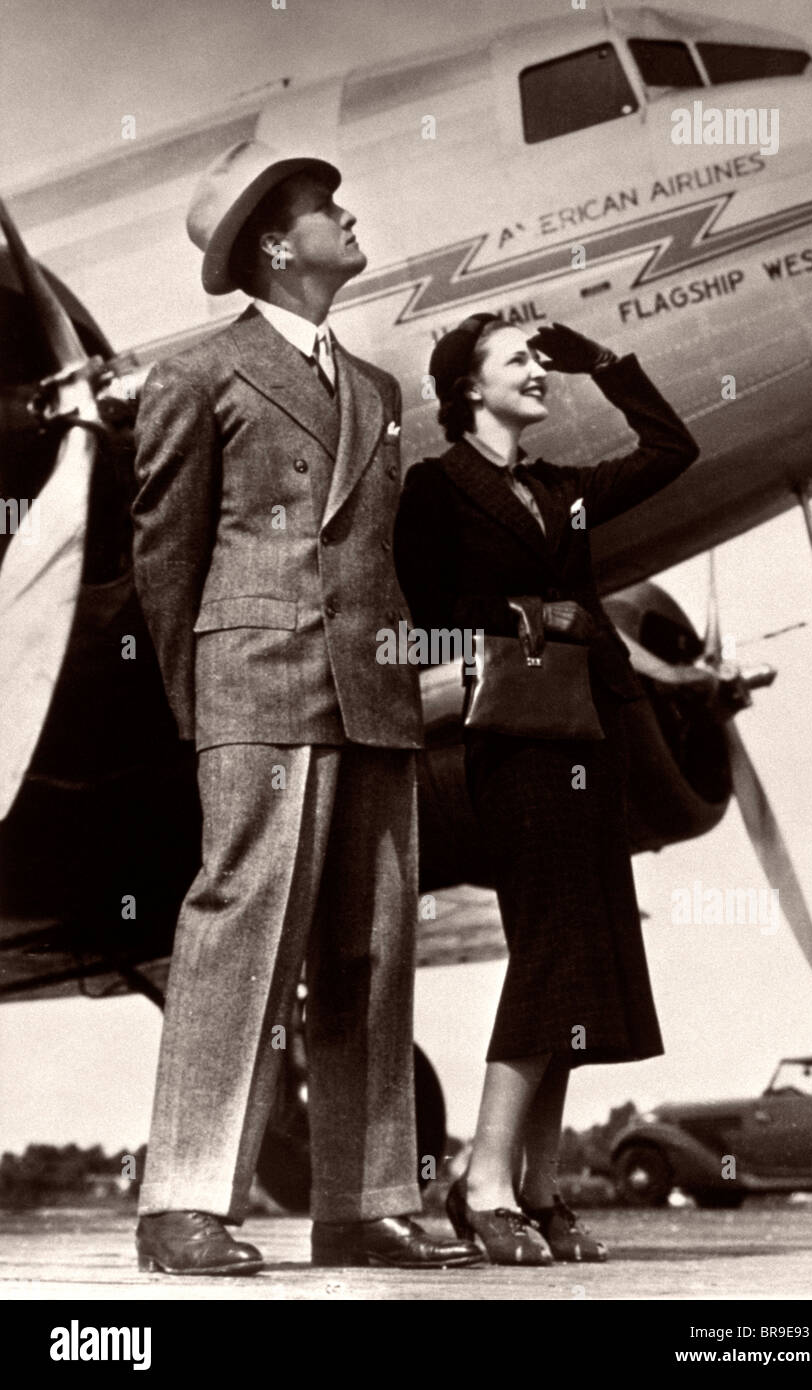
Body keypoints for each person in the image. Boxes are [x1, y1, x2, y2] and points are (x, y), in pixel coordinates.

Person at [131, 140, 482, 1274]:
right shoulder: (198, 376)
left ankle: (363, 1199)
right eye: (328, 209)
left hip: (371, 695)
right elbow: (165, 557)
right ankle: (183, 1201)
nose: (348, 216)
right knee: (240, 936)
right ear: (278, 247)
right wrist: (210, 707)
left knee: (372, 951)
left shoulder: (376, 391)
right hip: (258, 689)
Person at [393, 314, 701, 1264]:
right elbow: (426, 605)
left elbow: (671, 447)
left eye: (538, 359)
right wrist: (535, 610)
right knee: (551, 951)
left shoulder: (563, 489)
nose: (536, 372)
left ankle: (535, 1185)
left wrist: (600, 360)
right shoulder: (435, 487)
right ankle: (480, 1183)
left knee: (582, 954)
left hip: (591, 732)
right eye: (516, 361)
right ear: (467, 390)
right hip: (518, 741)